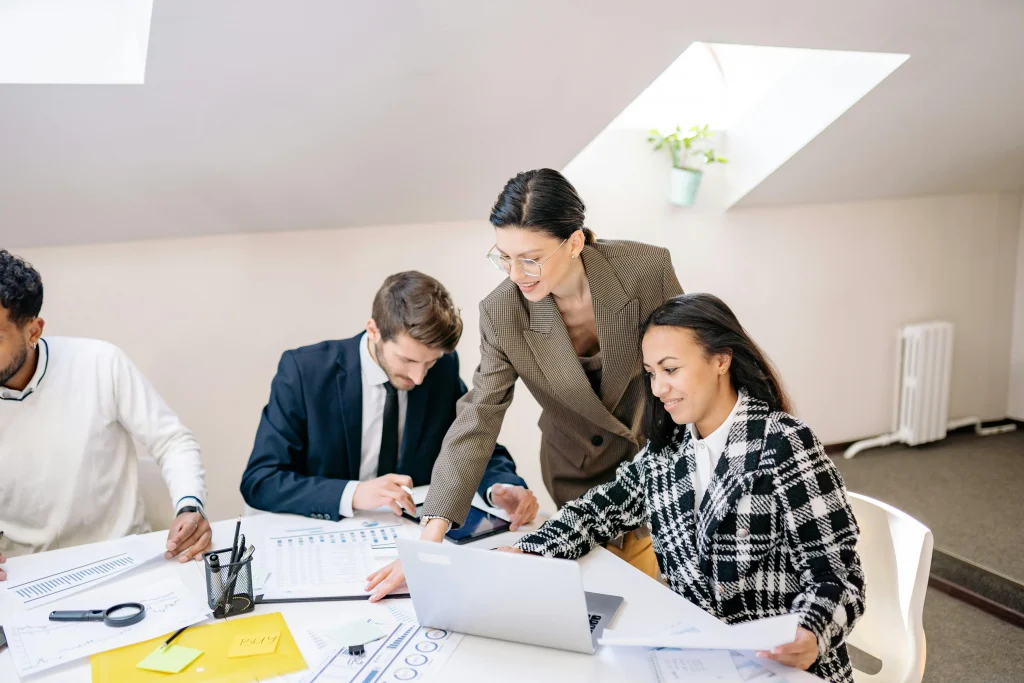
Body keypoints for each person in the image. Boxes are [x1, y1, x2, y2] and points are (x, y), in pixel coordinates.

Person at [502, 293, 866, 683]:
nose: (658, 388)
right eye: (651, 373)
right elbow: (597, 511)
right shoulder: (668, 450)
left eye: (670, 369)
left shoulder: (784, 443)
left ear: (721, 360)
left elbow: (839, 575)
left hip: (780, 667)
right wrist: (530, 550)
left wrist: (811, 631)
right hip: (696, 661)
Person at [367, 168, 683, 600]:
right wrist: (426, 547)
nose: (516, 274)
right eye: (503, 257)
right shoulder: (502, 312)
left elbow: (687, 362)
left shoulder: (645, 270)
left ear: (575, 243)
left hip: (658, 453)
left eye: (530, 258)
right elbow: (477, 420)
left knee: (664, 592)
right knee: (597, 600)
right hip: (577, 469)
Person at [239, 271, 535, 523]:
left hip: (404, 535)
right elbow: (261, 480)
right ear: (374, 331)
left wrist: (501, 486)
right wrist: (353, 492)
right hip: (324, 533)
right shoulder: (305, 372)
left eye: (429, 363)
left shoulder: (442, 370)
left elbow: (474, 444)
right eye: (407, 360)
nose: (419, 378)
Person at [0, 250, 211, 582]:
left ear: (33, 331)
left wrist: (189, 506)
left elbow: (173, 441)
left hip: (122, 562)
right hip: (21, 573)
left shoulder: (99, 362)